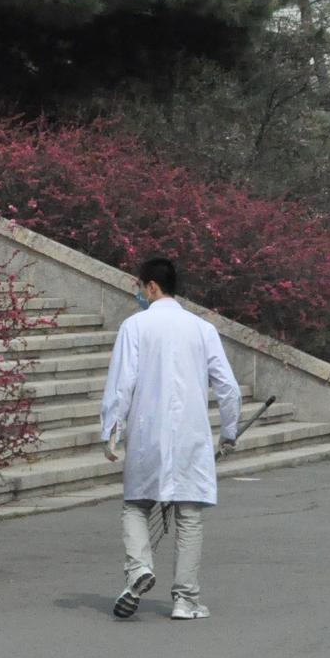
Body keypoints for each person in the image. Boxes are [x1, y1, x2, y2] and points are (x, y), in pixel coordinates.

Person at [101, 257, 241, 622]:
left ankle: (138, 568)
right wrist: (229, 433)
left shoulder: (135, 326)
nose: (138, 293)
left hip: (147, 433)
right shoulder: (202, 329)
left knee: (136, 505)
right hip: (191, 435)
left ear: (151, 287)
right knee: (189, 515)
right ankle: (185, 599)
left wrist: (111, 430)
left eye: (139, 286)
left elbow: (121, 384)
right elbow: (228, 388)